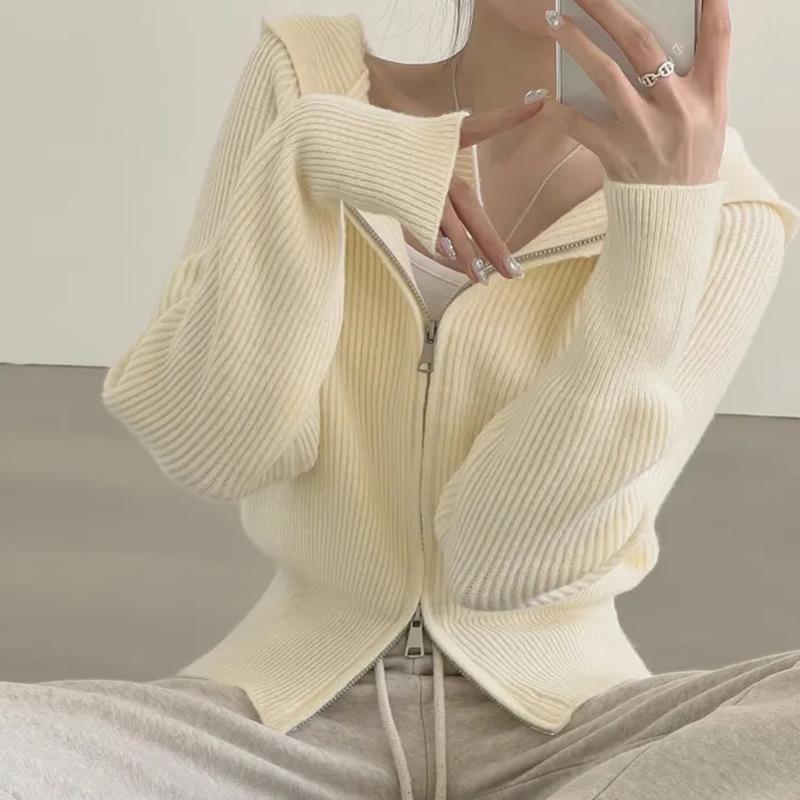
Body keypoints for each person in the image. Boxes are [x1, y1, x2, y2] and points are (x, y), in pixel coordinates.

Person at [4, 1, 800, 798]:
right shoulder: (310, 81)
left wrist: (664, 223)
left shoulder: (727, 210)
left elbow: (499, 565)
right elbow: (217, 450)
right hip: (268, 732)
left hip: (577, 743)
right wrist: (309, 158)